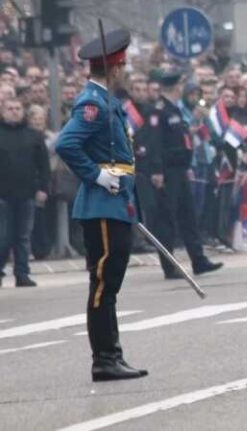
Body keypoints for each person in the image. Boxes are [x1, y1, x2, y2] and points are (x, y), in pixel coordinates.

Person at [54, 29, 148, 381]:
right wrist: (94, 175)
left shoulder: (106, 100)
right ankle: (104, 359)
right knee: (103, 284)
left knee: (110, 285)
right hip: (101, 203)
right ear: (115, 68)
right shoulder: (92, 103)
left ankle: (112, 355)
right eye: (123, 65)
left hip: (115, 202)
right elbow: (66, 144)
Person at [148, 71, 223, 279]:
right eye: (180, 85)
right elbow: (154, 143)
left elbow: (180, 138)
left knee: (188, 217)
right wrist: (156, 170)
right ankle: (169, 266)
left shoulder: (174, 110)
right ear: (175, 87)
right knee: (167, 220)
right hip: (167, 171)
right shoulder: (159, 110)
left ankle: (198, 260)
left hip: (180, 169)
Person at [0, 97, 49, 287]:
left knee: (23, 236)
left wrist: (43, 188)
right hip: (2, 195)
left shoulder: (33, 136)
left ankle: (22, 273)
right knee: (3, 236)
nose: (14, 111)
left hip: (26, 194)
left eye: (18, 108)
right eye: (10, 108)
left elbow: (43, 165)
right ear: (3, 111)